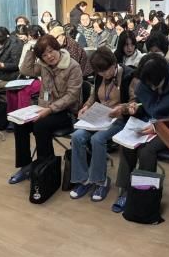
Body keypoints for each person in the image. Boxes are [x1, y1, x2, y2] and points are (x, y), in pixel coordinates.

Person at [111, 53, 169, 212]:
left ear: (164, 76)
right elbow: (143, 103)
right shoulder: (146, 79)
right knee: (127, 145)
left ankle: (143, 196)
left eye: (155, 85)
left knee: (146, 151)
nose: (152, 89)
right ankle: (125, 191)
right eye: (149, 85)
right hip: (146, 122)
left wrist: (157, 127)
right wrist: (134, 107)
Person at [9, 35, 83, 184]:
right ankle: (26, 166)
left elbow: (72, 96)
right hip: (44, 108)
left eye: (51, 51)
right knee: (19, 124)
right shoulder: (43, 65)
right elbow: (25, 69)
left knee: (41, 125)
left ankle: (45, 166)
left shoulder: (72, 66)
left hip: (68, 112)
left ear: (57, 48)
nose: (49, 56)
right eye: (44, 54)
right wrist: (31, 50)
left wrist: (50, 110)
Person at [70, 48, 136, 202]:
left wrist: (121, 109)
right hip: (99, 117)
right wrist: (86, 106)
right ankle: (83, 179)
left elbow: (135, 102)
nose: (103, 74)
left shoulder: (128, 75)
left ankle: (101, 181)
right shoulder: (99, 76)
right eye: (100, 72)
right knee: (77, 136)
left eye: (106, 70)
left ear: (114, 63)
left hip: (119, 119)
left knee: (97, 139)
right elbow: (94, 96)